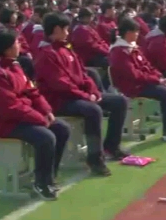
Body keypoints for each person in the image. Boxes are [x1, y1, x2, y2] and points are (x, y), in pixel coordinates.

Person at [0, 30, 70, 200]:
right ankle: (41, 182)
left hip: (21, 117)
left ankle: (48, 176)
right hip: (2, 122)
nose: (20, 45)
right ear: (7, 49)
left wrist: (46, 111)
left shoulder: (14, 66)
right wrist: (39, 119)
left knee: (61, 129)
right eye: (17, 43)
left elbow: (32, 92)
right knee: (46, 137)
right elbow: (9, 108)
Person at [34, 13, 129, 176]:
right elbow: (60, 84)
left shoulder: (66, 49)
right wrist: (86, 96)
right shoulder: (46, 54)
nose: (67, 32)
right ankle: (95, 159)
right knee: (93, 110)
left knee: (120, 102)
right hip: (59, 101)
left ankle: (111, 146)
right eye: (65, 29)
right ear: (56, 30)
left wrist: (92, 91)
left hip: (77, 95)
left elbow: (84, 75)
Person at [108, 18, 166, 143]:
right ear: (127, 33)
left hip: (143, 83)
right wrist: (156, 80)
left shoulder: (133, 48)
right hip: (132, 86)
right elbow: (134, 74)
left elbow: (147, 66)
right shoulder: (118, 51)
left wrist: (159, 77)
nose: (138, 34)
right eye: (135, 32)